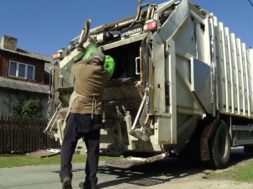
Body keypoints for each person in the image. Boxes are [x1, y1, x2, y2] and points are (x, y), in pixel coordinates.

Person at [60, 51, 109, 189]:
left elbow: (75, 64)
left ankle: (66, 175)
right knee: (93, 150)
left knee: (68, 145)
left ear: (92, 60)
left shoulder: (81, 69)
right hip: (95, 116)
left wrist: (87, 57)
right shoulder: (105, 74)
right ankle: (91, 183)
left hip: (78, 113)